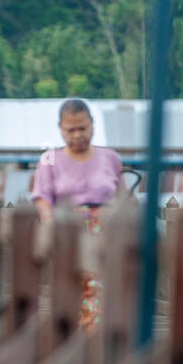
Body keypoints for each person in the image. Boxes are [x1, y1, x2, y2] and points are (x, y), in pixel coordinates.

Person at [30, 99, 123, 333]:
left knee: (106, 286)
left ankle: (99, 340)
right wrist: (51, 227)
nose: (77, 135)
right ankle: (76, 342)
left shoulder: (110, 157)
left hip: (106, 234)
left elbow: (123, 199)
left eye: (82, 128)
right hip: (68, 232)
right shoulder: (49, 159)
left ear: (92, 125)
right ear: (60, 129)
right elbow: (42, 198)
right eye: (70, 130)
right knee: (71, 287)